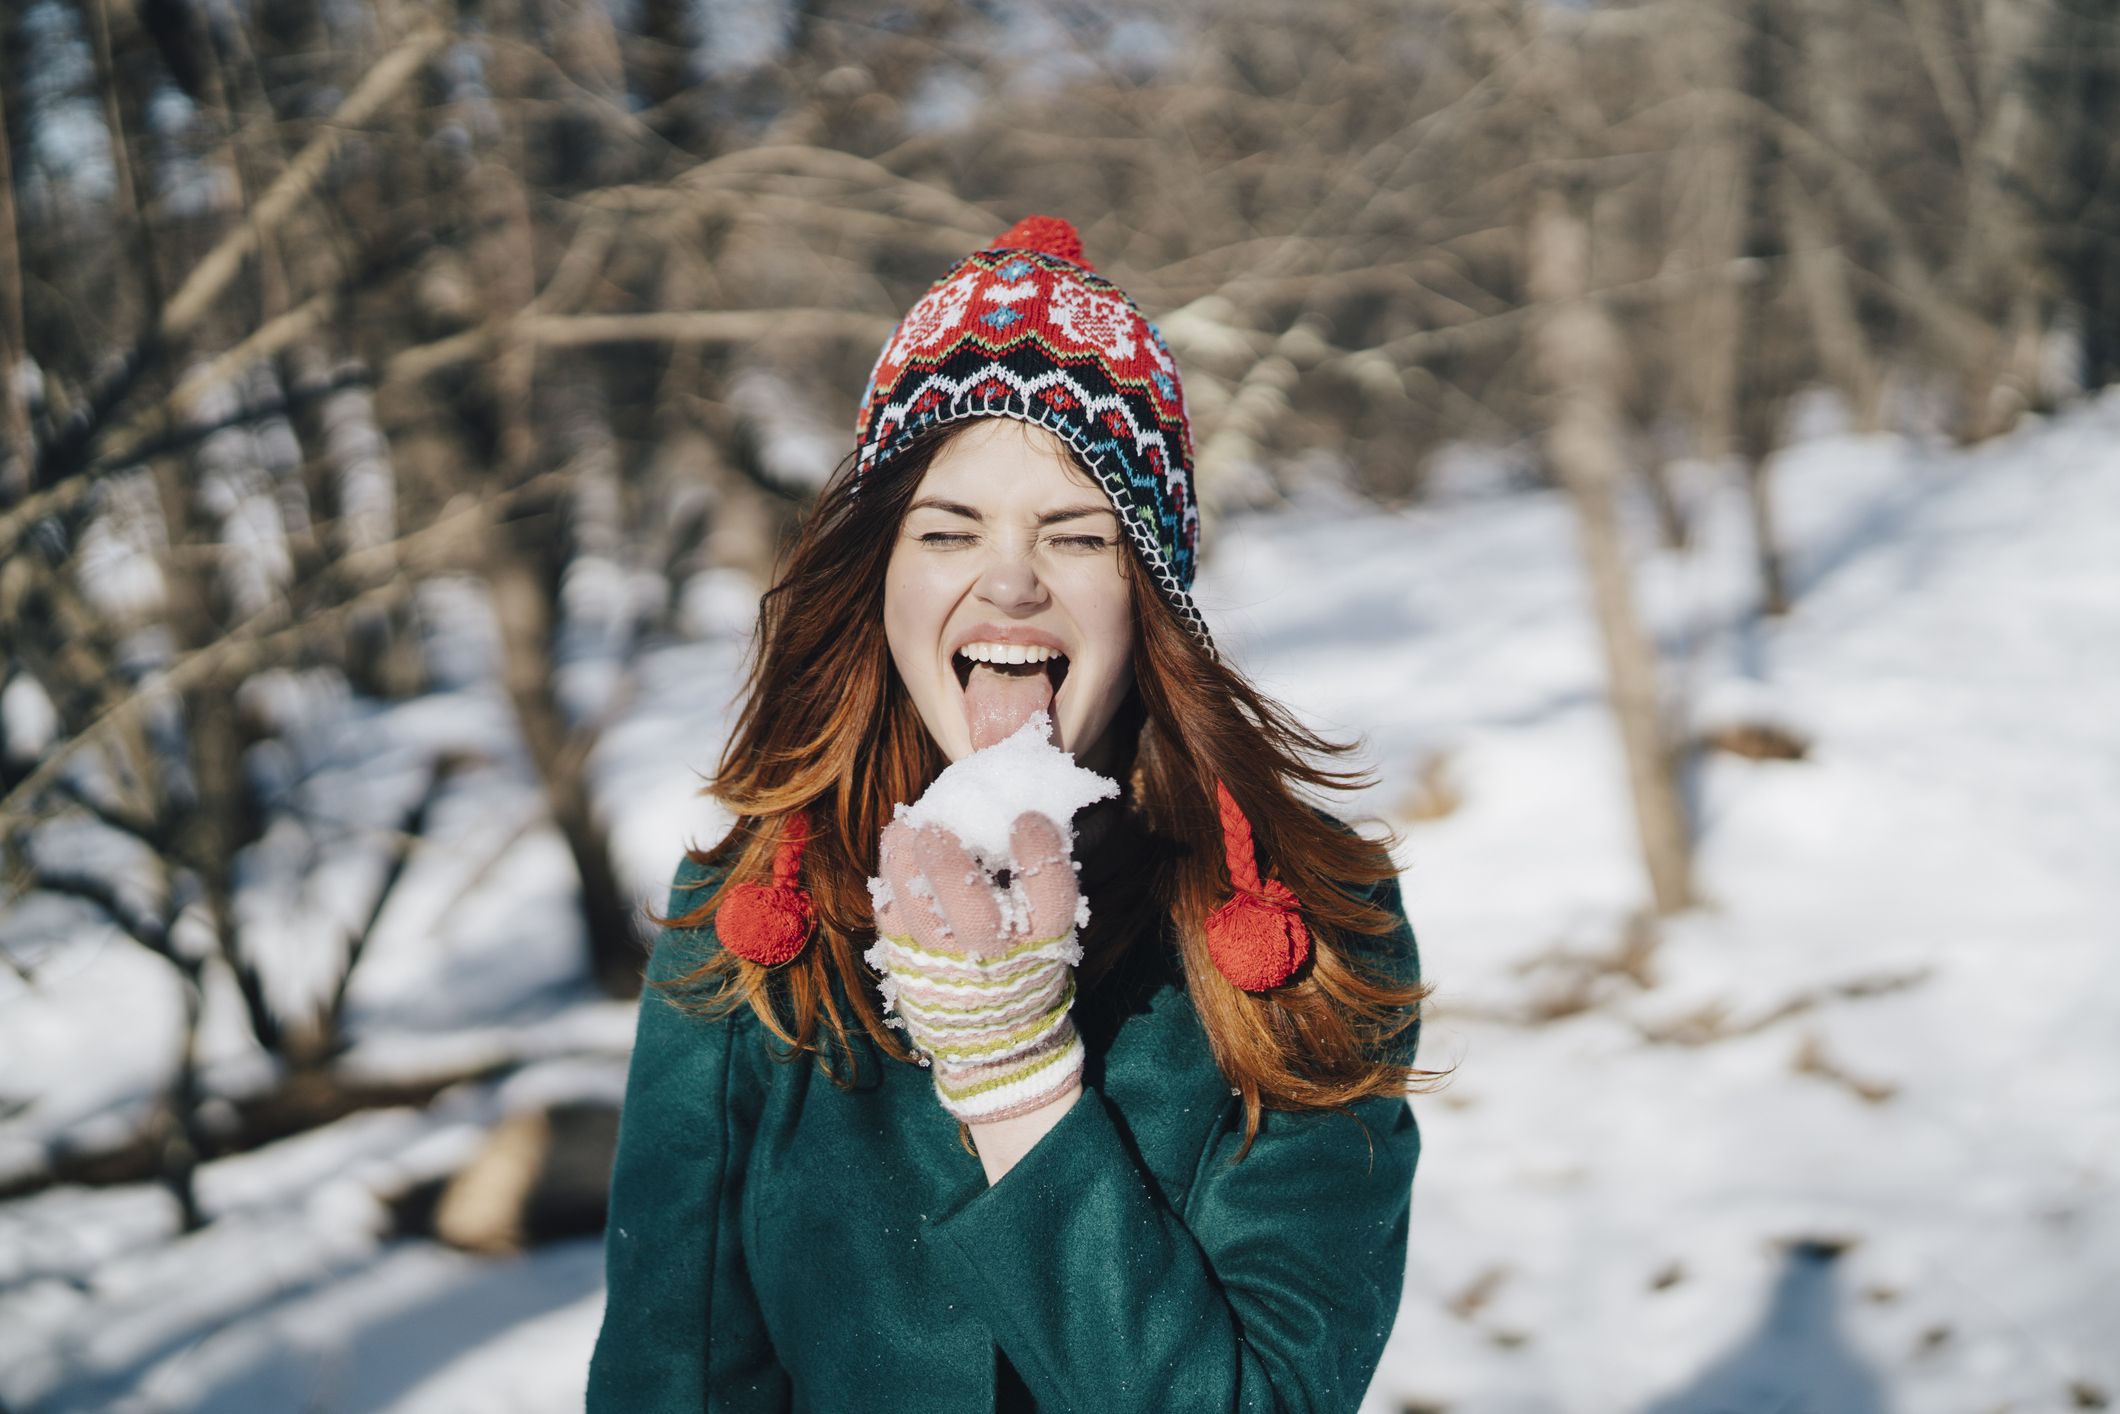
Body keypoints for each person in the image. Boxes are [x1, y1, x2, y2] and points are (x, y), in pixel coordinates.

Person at [587, 216, 1431, 1412]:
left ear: (1146, 592)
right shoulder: (744, 921)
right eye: (947, 529)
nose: (1010, 578)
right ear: (879, 572)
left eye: (1076, 533)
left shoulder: (1305, 931)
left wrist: (1019, 1088)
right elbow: (671, 1375)